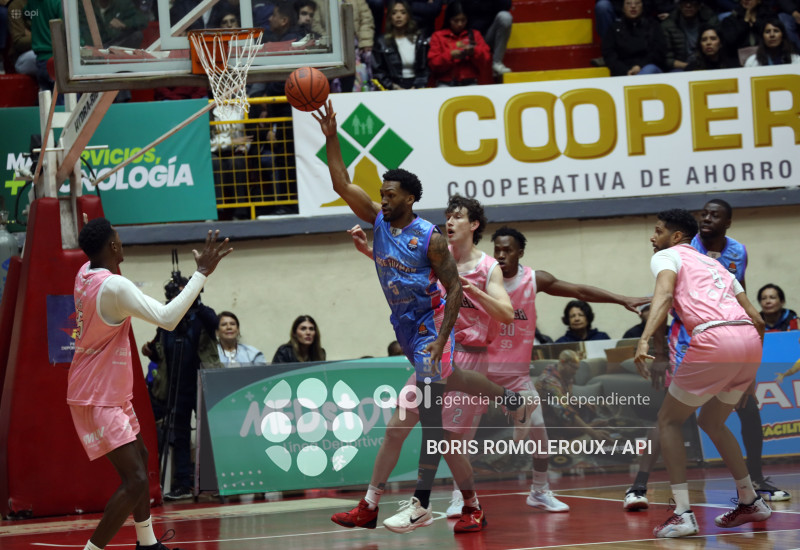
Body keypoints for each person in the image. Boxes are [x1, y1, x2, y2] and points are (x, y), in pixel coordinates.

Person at [313, 99, 533, 535]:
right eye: (382, 193)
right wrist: (331, 136)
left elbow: (453, 289)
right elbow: (341, 182)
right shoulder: (378, 223)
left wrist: (438, 339)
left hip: (433, 333)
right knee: (428, 431)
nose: (383, 199)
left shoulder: (428, 238)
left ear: (410, 198)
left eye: (391, 194)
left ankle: (410, 503)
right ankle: (468, 499)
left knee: (418, 423)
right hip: (410, 331)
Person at [344, 195, 523, 533]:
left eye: (457, 217)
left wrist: (475, 292)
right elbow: (405, 274)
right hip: (436, 349)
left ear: (474, 225)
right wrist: (369, 251)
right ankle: (368, 505)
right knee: (396, 428)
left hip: (470, 353)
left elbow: (507, 313)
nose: (449, 222)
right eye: (447, 216)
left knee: (448, 443)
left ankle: (461, 506)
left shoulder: (488, 268)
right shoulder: (434, 253)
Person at [69, 218, 231, 550]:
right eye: (118, 236)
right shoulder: (114, 287)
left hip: (106, 389)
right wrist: (200, 273)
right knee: (136, 480)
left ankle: (147, 542)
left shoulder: (85, 272)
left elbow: (96, 250)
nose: (121, 240)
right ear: (113, 246)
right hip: (97, 394)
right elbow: (169, 318)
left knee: (142, 457)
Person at [463, 225, 646, 515]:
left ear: (520, 252)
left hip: (516, 375)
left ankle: (539, 491)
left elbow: (578, 290)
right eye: (496, 249)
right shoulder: (480, 276)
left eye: (507, 249)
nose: (500, 254)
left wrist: (622, 299)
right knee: (461, 436)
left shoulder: (533, 279)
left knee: (539, 432)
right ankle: (459, 497)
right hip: (480, 370)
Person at [624, 199, 791, 510]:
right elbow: (756, 319)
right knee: (712, 421)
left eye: (657, 231)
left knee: (668, 421)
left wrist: (644, 339)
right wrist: (751, 373)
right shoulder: (716, 265)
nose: (652, 237)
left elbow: (662, 297)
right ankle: (750, 501)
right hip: (747, 340)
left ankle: (682, 511)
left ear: (675, 237)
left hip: (710, 340)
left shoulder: (667, 257)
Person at [142, 276, 220, 501]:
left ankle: (212, 482)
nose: (178, 297)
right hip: (176, 383)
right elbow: (160, 349)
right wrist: (150, 351)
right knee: (180, 433)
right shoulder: (167, 318)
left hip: (202, 380)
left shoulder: (202, 314)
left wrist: (194, 301)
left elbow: (214, 323)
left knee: (209, 432)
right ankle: (182, 483)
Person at [536, 350, 615, 442]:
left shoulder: (566, 374)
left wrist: (582, 403)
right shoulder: (549, 381)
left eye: (577, 369)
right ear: (562, 362)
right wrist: (593, 433)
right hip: (545, 418)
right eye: (573, 368)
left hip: (557, 409)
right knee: (569, 420)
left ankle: (581, 428)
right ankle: (585, 428)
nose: (575, 372)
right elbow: (564, 411)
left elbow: (567, 398)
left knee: (589, 408)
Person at [428, 1, 491, 87]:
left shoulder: (475, 35)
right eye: (456, 20)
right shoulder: (438, 36)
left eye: (463, 20)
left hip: (470, 81)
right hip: (445, 82)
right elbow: (433, 64)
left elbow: (486, 60)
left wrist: (474, 52)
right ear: (449, 20)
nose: (460, 24)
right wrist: (450, 55)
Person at [371, 0, 430, 90]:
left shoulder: (419, 40)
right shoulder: (381, 42)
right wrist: (393, 86)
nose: (398, 16)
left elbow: (424, 69)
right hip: (392, 87)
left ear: (408, 16)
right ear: (390, 17)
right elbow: (378, 71)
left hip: (416, 86)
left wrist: (417, 86)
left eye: (403, 12)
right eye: (394, 13)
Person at [601, 0, 667, 76]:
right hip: (624, 72)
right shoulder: (614, 28)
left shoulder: (653, 26)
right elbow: (609, 55)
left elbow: (659, 52)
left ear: (642, 6)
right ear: (622, 8)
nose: (633, 6)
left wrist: (640, 66)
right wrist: (626, 71)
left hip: (649, 68)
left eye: (637, 3)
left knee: (649, 69)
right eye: (628, 3)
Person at [660, 0, 719, 71]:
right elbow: (667, 59)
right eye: (684, 1)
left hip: (708, 63)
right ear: (679, 5)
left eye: (692, 1)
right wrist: (689, 67)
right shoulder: (668, 25)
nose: (688, 5)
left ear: (699, 5)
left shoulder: (710, 20)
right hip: (682, 66)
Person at [461, 0, 513, 76]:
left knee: (505, 17)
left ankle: (497, 63)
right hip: (468, 36)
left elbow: (506, 5)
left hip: (489, 35)